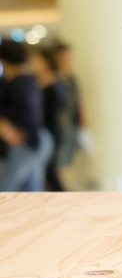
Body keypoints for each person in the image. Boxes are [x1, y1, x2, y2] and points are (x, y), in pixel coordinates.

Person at [0, 40, 53, 191]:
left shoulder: (18, 83)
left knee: (5, 189)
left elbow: (25, 110)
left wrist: (4, 127)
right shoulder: (29, 80)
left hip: (23, 143)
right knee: (31, 189)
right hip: (35, 140)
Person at [30, 47, 66, 191]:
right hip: (46, 130)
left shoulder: (53, 84)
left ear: (46, 62)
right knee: (44, 172)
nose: (33, 64)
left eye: (36, 61)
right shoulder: (38, 82)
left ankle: (66, 201)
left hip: (50, 131)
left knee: (49, 172)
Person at [53, 42, 84, 168]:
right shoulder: (52, 78)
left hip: (71, 123)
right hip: (57, 124)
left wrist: (83, 118)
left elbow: (78, 99)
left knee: (67, 156)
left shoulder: (72, 78)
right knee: (57, 157)